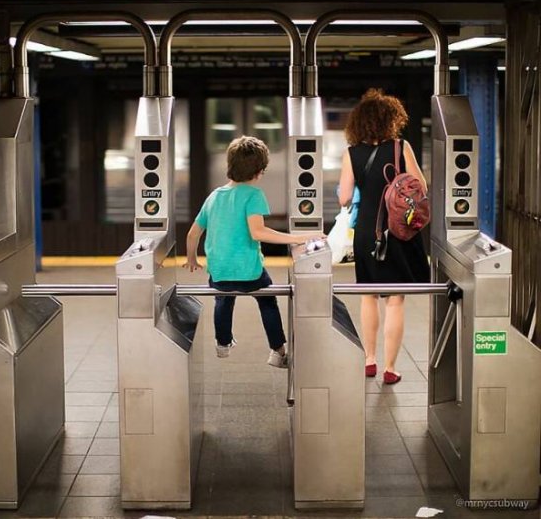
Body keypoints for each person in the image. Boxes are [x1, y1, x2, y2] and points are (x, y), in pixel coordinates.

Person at [184, 136, 326, 368]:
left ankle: (223, 343)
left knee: (223, 297)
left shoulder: (214, 196)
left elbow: (192, 234)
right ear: (259, 171)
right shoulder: (253, 195)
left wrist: (192, 259)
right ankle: (277, 351)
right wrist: (300, 238)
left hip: (219, 269)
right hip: (250, 271)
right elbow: (258, 232)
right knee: (267, 300)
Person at [338, 88, 430, 385]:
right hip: (398, 230)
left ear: (359, 123)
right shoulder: (400, 148)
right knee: (395, 299)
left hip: (366, 231)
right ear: (391, 119)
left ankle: (369, 360)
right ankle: (391, 368)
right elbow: (422, 188)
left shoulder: (351, 154)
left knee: (368, 295)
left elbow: (343, 198)